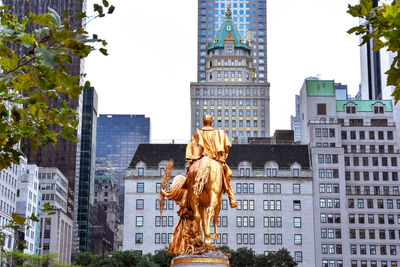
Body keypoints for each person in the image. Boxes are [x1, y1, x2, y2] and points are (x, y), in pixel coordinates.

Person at [185, 114, 237, 208]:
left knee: (188, 177)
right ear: (211, 121)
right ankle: (232, 198)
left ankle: (185, 199)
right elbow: (225, 148)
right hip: (215, 160)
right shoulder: (218, 133)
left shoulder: (197, 134)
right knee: (226, 176)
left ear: (203, 121)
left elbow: (191, 151)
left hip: (200, 159)